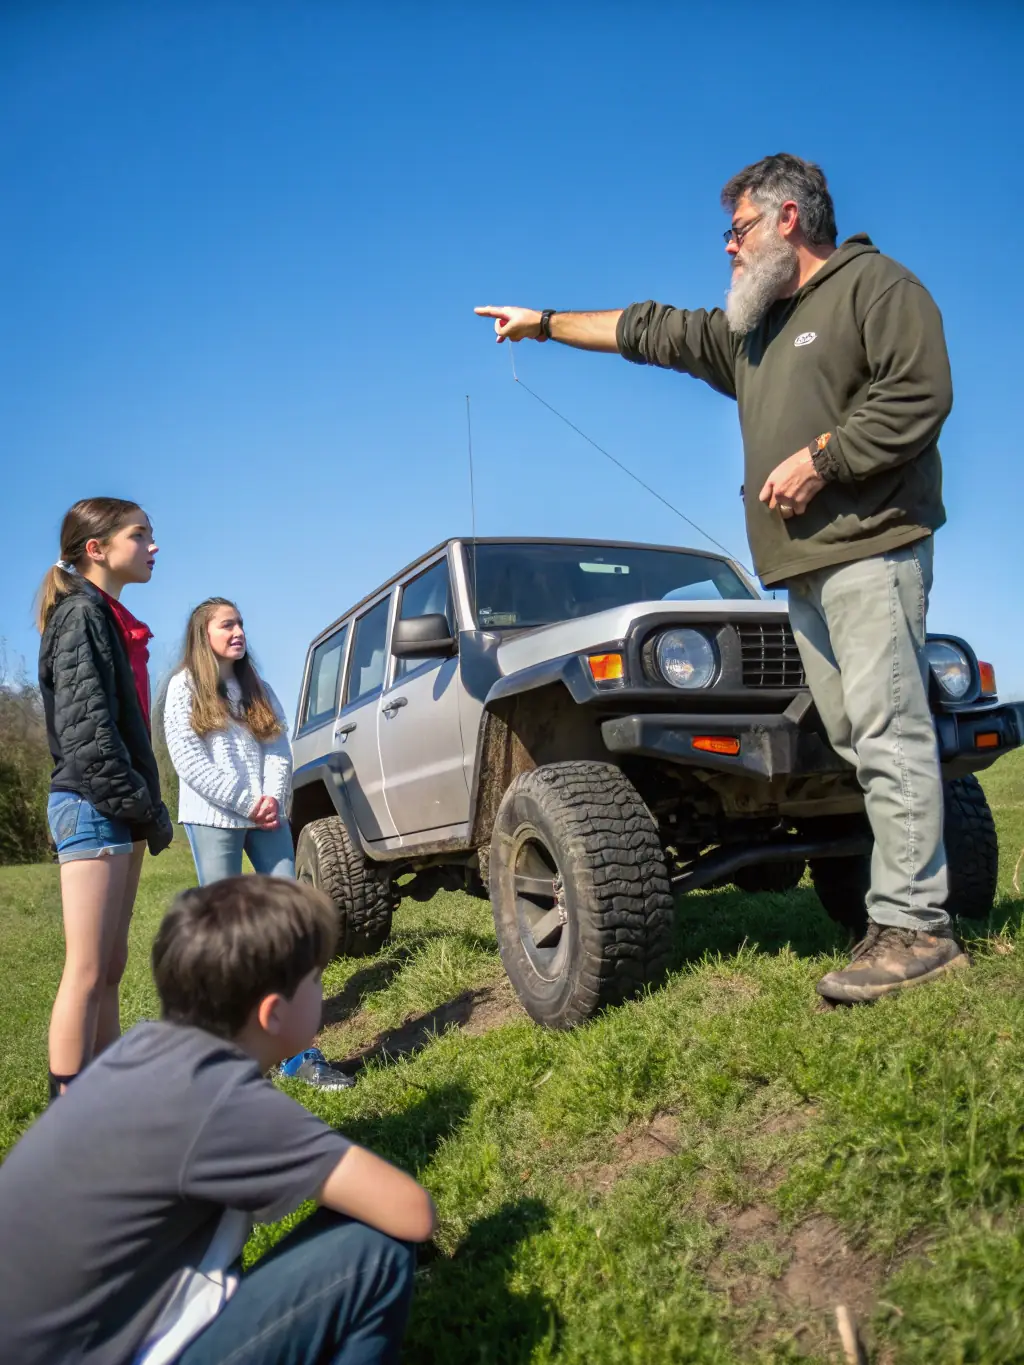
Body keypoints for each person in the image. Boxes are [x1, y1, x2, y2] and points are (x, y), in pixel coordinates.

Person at [476, 152, 967, 1004]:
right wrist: (544, 323)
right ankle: (893, 914)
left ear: (788, 219)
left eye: (738, 230)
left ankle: (918, 929)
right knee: (856, 740)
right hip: (800, 572)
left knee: (889, 734)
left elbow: (919, 393)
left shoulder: (875, 286)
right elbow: (650, 330)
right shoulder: (752, 334)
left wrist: (823, 458)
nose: (728, 247)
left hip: (869, 550)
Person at [0, 875, 435, 1365]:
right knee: (374, 1250)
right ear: (273, 1014)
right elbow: (411, 1212)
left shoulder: (140, 1050)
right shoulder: (220, 1101)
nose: (322, 989)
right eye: (316, 979)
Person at [163, 596, 351, 1091]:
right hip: (215, 817)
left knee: (290, 921)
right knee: (224, 938)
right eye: (227, 625)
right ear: (203, 634)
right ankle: (231, 1053)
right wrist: (246, 801)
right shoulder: (184, 687)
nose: (238, 632)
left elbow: (278, 747)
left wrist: (271, 799)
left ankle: (299, 1054)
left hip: (267, 817)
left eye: (241, 623)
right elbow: (188, 759)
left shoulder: (256, 687)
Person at [36, 497, 173, 1101]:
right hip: (94, 803)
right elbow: (87, 734)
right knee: (88, 970)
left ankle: (109, 1102)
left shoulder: (105, 615)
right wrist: (138, 802)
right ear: (96, 549)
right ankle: (69, 1117)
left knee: (110, 966)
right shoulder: (79, 616)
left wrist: (140, 806)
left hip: (117, 805)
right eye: (139, 535)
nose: (153, 546)